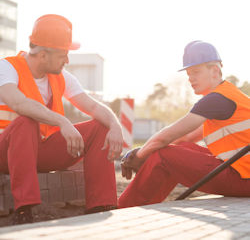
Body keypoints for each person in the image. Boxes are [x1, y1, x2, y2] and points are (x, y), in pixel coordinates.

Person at [0, 14, 124, 224]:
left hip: (40, 151)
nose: (67, 60)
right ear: (43, 54)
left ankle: (101, 205)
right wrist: (62, 121)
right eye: (63, 55)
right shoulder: (7, 67)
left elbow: (92, 105)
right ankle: (24, 210)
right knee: (26, 121)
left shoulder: (61, 76)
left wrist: (115, 125)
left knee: (100, 126)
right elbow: (18, 103)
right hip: (6, 151)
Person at [118, 40, 250, 208]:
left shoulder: (216, 99)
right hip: (243, 174)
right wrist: (147, 154)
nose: (190, 79)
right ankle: (144, 203)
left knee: (164, 155)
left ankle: (125, 208)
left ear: (215, 71)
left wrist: (137, 156)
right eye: (188, 74)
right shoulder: (229, 96)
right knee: (182, 148)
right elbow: (184, 138)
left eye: (195, 72)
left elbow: (166, 137)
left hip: (244, 178)